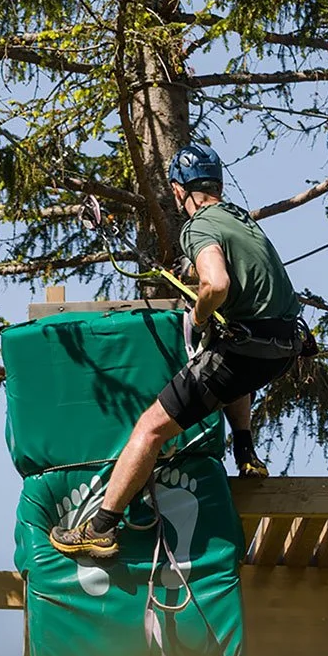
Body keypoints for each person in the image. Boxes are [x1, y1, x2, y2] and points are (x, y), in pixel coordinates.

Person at [51, 141, 308, 558]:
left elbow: (217, 283)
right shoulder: (239, 219)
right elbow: (228, 268)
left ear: (176, 191)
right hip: (282, 347)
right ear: (216, 184)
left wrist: (201, 314)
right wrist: (189, 274)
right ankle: (246, 452)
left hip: (246, 349)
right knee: (230, 368)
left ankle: (100, 527)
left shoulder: (199, 225)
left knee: (150, 428)